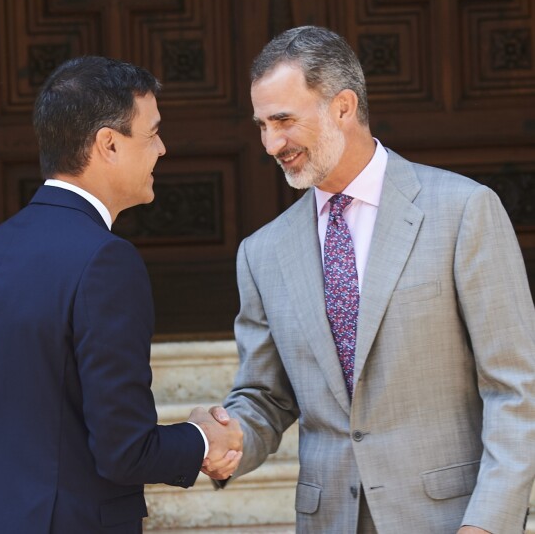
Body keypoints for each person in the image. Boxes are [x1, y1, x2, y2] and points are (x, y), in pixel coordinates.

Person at [204, 26, 535, 533]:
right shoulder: (261, 253)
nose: (272, 143)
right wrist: (224, 441)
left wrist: (488, 523)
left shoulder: (464, 210)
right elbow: (266, 396)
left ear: (342, 106)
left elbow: (516, 388)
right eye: (262, 125)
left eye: (284, 121)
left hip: (449, 519)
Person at [0, 56, 242, 533]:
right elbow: (124, 452)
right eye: (152, 134)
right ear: (108, 144)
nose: (163, 149)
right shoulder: (106, 261)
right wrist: (202, 438)